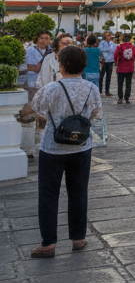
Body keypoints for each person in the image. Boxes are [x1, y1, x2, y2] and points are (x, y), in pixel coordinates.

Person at [21, 45, 102, 258]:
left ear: (61, 65)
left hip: (52, 147)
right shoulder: (91, 88)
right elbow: (95, 113)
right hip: (82, 146)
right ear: (84, 66)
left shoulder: (52, 88)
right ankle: (78, 237)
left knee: (48, 195)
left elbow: (36, 109)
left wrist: (20, 113)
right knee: (78, 192)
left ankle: (48, 243)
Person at [113, 34, 135, 105]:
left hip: (120, 68)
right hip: (130, 68)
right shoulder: (132, 47)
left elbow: (115, 56)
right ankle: (127, 98)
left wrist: (116, 62)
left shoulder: (119, 47)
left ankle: (120, 98)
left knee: (120, 84)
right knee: (128, 83)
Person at [98, 32, 115, 97]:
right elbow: (100, 50)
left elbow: (114, 50)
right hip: (103, 61)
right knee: (101, 76)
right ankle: (100, 91)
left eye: (109, 35)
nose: (109, 37)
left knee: (108, 77)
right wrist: (108, 50)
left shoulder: (112, 43)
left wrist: (107, 50)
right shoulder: (102, 42)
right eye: (107, 35)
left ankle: (107, 91)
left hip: (110, 61)